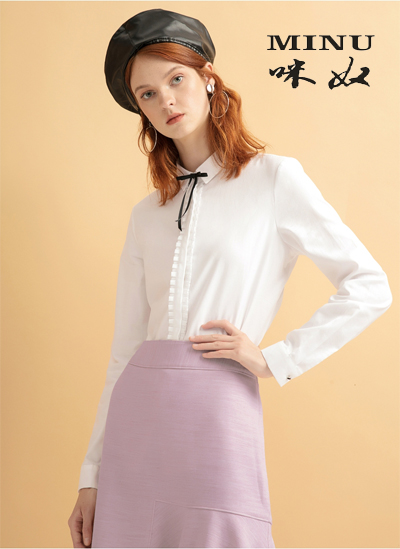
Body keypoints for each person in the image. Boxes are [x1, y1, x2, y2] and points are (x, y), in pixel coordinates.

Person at [68, 8, 393, 549]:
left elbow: (369, 285)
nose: (166, 101)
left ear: (208, 78)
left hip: (218, 410)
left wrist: (275, 359)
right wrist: (91, 475)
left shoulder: (273, 179)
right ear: (140, 110)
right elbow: (124, 351)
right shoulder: (146, 214)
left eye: (176, 79)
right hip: (137, 420)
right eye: (147, 94)